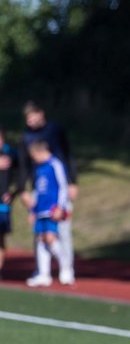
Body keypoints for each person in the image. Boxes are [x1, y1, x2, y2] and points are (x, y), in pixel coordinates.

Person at [17, 102, 77, 284]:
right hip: (40, 194)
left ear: (40, 113)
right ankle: (43, 272)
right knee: (40, 236)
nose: (31, 121)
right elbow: (23, 165)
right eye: (27, 119)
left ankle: (67, 269)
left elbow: (68, 155)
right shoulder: (25, 137)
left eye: (33, 116)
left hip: (57, 195)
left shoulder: (55, 132)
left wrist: (73, 181)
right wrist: (22, 189)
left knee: (61, 233)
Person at [23, 138, 68, 288]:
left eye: (34, 155)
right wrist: (32, 210)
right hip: (40, 209)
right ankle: (43, 274)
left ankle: (66, 268)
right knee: (41, 240)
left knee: (50, 238)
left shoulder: (55, 164)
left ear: (41, 152)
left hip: (52, 209)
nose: (33, 159)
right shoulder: (38, 168)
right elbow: (37, 191)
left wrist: (60, 207)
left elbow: (63, 186)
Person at [0, 129, 14, 278]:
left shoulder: (10, 154)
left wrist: (14, 193)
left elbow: (25, 171)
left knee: (1, 238)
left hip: (3, 207)